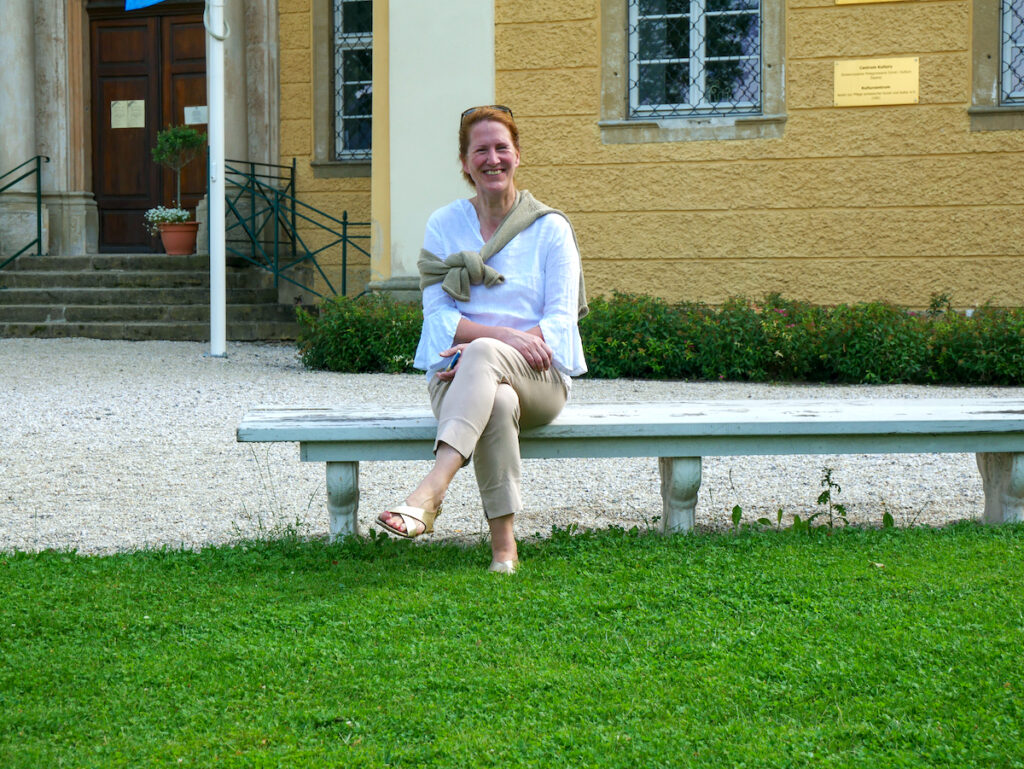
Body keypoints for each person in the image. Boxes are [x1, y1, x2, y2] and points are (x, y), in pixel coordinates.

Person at [375, 105, 588, 573]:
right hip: (455, 380)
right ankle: (504, 551)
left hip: (541, 378)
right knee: (497, 401)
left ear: (517, 155)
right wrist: (496, 340)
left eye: (502, 148)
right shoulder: (444, 225)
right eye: (480, 151)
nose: (492, 159)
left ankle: (430, 491)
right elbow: (438, 320)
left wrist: (487, 346)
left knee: (488, 356)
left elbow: (559, 324)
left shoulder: (551, 229)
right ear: (464, 162)